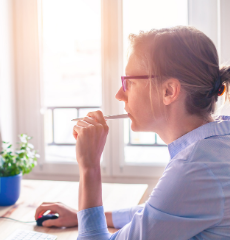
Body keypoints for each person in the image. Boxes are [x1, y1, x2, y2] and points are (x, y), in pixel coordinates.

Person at [35, 26, 230, 239]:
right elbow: (157, 213)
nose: (120, 94)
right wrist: (83, 215)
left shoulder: (194, 168)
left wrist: (89, 167)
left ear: (169, 91)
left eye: (130, 82)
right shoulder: (216, 142)